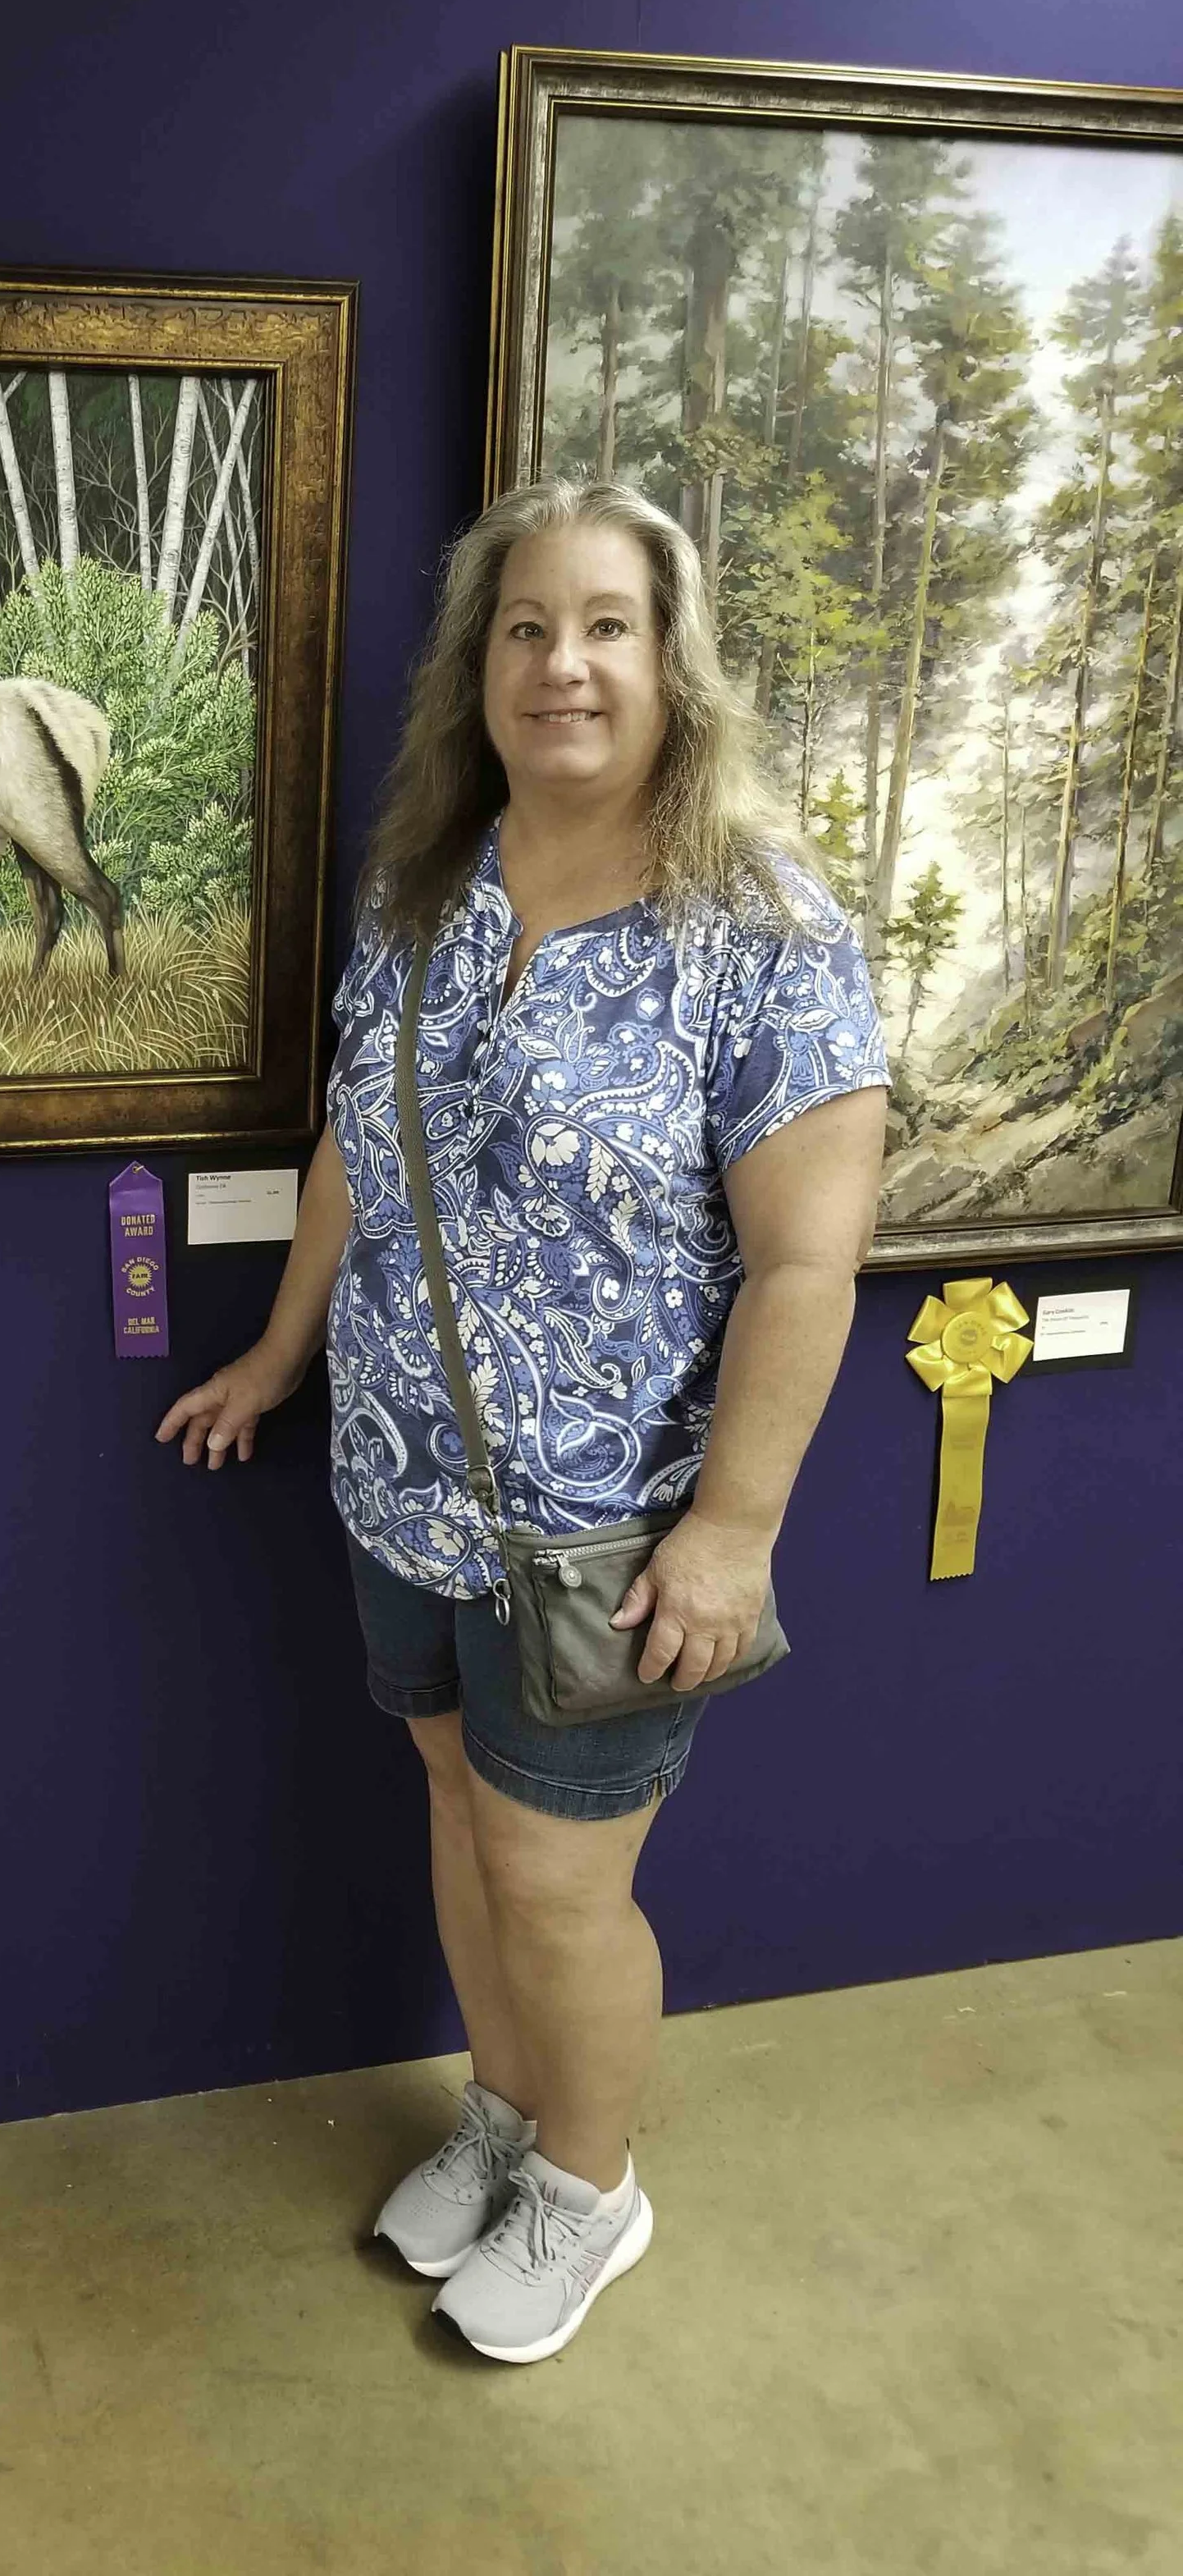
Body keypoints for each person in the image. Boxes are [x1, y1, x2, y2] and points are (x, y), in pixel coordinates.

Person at [156, 478, 889, 2365]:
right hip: (400, 1488)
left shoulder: (759, 925)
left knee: (560, 1882)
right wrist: (278, 1355)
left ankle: (586, 2184)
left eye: (605, 625)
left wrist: (729, 1532)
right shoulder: (431, 881)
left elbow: (805, 1263)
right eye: (524, 628)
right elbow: (355, 1142)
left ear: (671, 661)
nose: (562, 665)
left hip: (604, 1531)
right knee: (458, 1814)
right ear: (476, 668)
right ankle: (498, 2117)